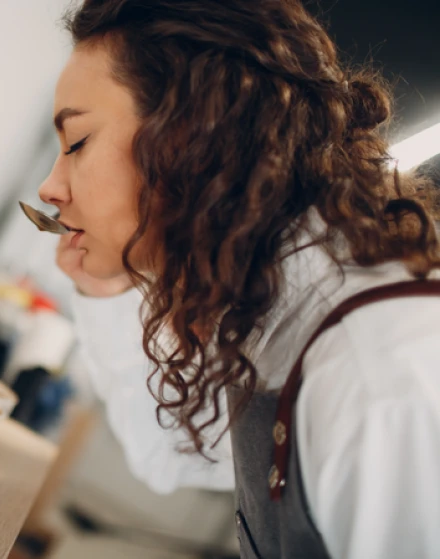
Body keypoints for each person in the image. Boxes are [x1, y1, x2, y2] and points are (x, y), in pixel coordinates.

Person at [37, 1, 440, 557]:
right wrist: (104, 285)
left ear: (194, 139)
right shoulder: (265, 297)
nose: (49, 188)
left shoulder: (379, 373)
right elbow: (174, 454)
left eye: (78, 142)